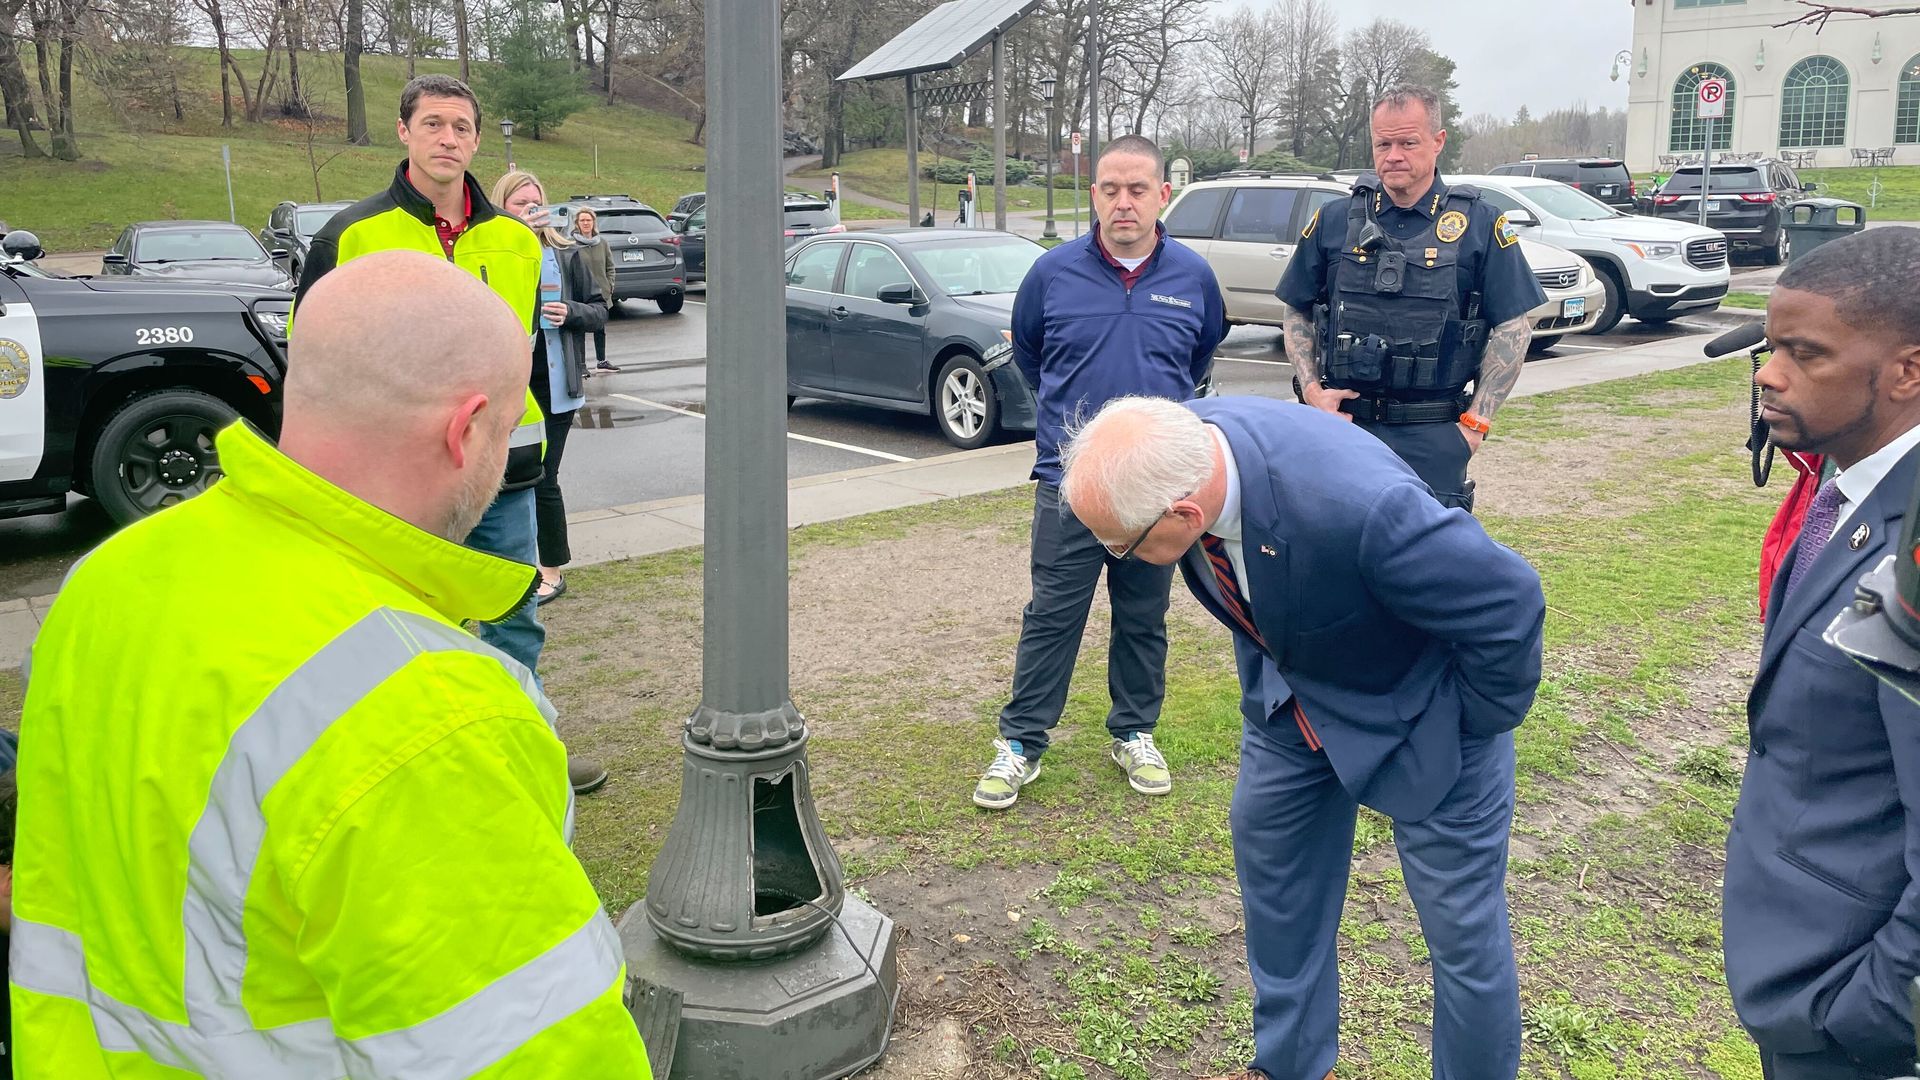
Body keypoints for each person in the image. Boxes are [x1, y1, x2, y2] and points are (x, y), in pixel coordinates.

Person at [8, 252, 652, 1078]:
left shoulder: (108, 579)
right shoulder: (428, 712)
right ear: (466, 430)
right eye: (507, 430)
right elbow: (538, 1054)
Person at [1060, 395, 1545, 1080]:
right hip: (1292, 704)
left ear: (1186, 516)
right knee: (1278, 888)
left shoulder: (1362, 509)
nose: (1115, 557)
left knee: (1462, 932)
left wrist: (1470, 720)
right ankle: (1288, 1067)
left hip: (1424, 709)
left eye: (1121, 545)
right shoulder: (1180, 444)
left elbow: (1510, 601)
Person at [294, 73, 606, 795]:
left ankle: (525, 749)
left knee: (514, 618)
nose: (448, 138)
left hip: (502, 467)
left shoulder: (516, 241)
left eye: (461, 127)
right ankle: (407, 768)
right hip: (391, 476)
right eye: (433, 123)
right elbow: (310, 352)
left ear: (475, 140)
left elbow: (522, 350)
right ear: (404, 132)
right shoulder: (352, 235)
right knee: (399, 623)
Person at [972, 134, 1228, 811]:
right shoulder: (1051, 275)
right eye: (1110, 189)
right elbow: (1031, 357)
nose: (1123, 202)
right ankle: (1021, 743)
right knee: (1054, 614)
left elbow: (1199, 360)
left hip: (1156, 489)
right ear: (1093, 195)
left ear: (1161, 196)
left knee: (1144, 616)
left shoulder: (1193, 277)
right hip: (1070, 485)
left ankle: (1135, 732)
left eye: (1137, 189)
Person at [1724, 226, 1920, 1079]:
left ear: (1907, 371)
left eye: (1805, 353)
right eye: (1770, 347)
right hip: (1804, 958)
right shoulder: (1848, 489)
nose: (1767, 372)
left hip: (1851, 1011)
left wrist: (1871, 1016)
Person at [1276, 84, 1545, 511]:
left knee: (1427, 570)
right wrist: (1311, 391)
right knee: (1336, 560)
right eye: (1383, 143)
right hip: (1344, 428)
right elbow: (1297, 308)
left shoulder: (1479, 223)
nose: (1393, 155)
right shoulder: (1333, 220)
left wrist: (1476, 422)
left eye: (1408, 142)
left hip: (1433, 433)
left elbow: (1513, 327)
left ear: (1438, 142)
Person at [492, 171, 608, 605]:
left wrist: (571, 311)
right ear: (503, 206)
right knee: (498, 479)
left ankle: (550, 572)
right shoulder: (492, 251)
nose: (532, 211)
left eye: (536, 203)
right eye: (521, 204)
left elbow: (599, 310)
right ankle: (505, 564)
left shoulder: (567, 254)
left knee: (544, 476)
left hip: (555, 384)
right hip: (505, 383)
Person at [572, 207, 621, 373]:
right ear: (577, 223)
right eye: (582, 220)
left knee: (600, 328)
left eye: (589, 220)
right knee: (580, 331)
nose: (586, 223)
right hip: (581, 294)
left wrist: (609, 286)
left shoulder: (603, 243)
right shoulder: (571, 245)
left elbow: (610, 267)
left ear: (593, 223)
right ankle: (581, 365)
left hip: (601, 294)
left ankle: (602, 361)